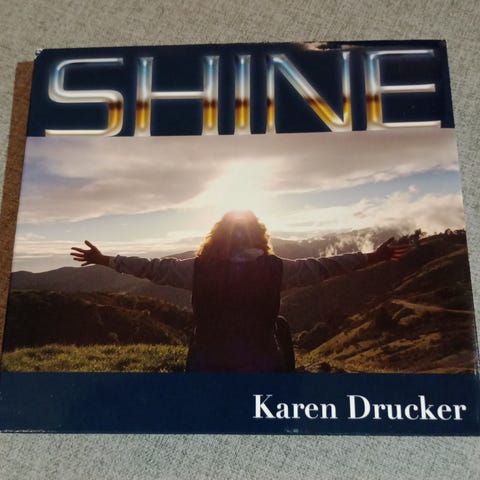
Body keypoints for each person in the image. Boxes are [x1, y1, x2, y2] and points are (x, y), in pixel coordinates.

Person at [71, 210, 410, 372]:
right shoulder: (276, 269)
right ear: (259, 236)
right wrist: (374, 257)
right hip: (261, 362)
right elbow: (326, 267)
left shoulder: (198, 268)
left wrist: (105, 260)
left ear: (218, 236)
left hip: (208, 361)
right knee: (279, 326)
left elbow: (152, 268)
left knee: (202, 334)